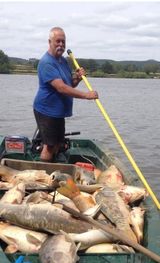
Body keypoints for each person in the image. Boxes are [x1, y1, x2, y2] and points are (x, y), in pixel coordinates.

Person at [33, 27, 98, 162]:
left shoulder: (63, 61)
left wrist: (78, 78)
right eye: (58, 41)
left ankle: (53, 167)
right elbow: (61, 88)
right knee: (49, 146)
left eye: (63, 42)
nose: (61, 45)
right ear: (49, 42)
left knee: (58, 144)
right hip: (46, 111)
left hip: (58, 112)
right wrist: (87, 95)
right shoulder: (46, 63)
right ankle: (45, 175)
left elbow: (69, 84)